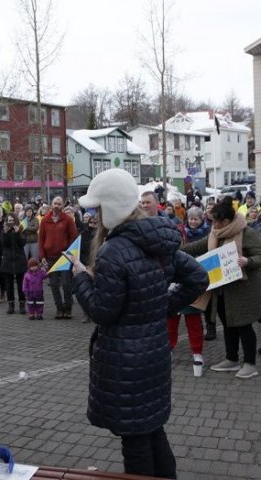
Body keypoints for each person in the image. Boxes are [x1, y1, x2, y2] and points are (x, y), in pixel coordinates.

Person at [68, 168, 208, 479]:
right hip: (154, 353)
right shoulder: (157, 241)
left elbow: (103, 312)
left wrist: (79, 278)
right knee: (152, 429)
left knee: (136, 442)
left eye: (100, 208)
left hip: (125, 361)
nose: (96, 215)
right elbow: (197, 277)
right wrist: (160, 308)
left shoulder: (113, 251)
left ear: (112, 208)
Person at [183, 196, 261, 379]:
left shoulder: (246, 232)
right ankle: (231, 359)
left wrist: (248, 261)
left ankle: (250, 364)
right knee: (227, 324)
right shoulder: (215, 233)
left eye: (216, 222)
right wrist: (175, 249)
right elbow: (197, 247)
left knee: (243, 326)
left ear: (226, 221)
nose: (213, 225)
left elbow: (259, 255)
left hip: (244, 289)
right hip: (223, 290)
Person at [168, 206, 211, 375]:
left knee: (193, 321)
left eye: (196, 219)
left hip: (194, 282)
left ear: (202, 220)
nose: (193, 222)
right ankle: (169, 347)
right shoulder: (180, 232)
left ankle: (197, 353)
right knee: (171, 320)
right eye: (191, 218)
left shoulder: (206, 235)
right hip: (175, 281)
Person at [38, 196, 78, 319]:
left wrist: (72, 256)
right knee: (54, 284)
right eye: (55, 203)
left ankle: (68, 308)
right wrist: (42, 256)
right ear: (51, 204)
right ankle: (59, 309)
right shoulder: (45, 220)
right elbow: (41, 239)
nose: (57, 205)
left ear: (63, 205)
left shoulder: (68, 220)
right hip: (50, 257)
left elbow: (74, 238)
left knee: (66, 283)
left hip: (64, 257)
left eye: (59, 204)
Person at [0, 213, 27, 315]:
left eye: (12, 220)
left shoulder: (20, 229)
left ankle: (22, 304)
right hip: (7, 260)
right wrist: (6, 233)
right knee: (9, 285)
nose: (10, 222)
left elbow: (22, 243)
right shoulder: (3, 231)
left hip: (19, 260)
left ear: (15, 221)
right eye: (9, 220)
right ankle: (11, 304)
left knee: (21, 285)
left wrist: (17, 233)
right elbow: (3, 244)